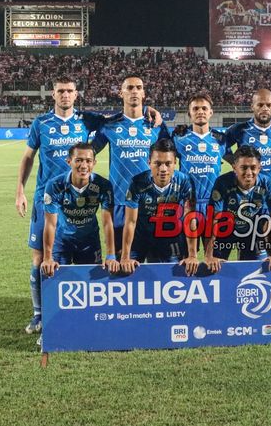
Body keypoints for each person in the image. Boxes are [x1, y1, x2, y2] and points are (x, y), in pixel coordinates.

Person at [15, 76, 106, 336]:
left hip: (78, 201)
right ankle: (39, 314)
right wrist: (20, 190)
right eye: (60, 91)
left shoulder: (87, 122)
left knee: (82, 256)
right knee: (40, 257)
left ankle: (81, 310)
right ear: (53, 95)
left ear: (76, 95)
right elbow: (28, 157)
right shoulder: (41, 123)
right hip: (46, 199)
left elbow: (119, 119)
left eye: (69, 91)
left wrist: (147, 110)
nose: (65, 95)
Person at [92, 75, 170, 255]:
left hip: (153, 202)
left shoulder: (156, 125)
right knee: (122, 261)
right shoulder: (109, 125)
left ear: (143, 93)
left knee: (157, 261)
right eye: (129, 88)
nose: (134, 91)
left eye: (138, 87)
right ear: (121, 93)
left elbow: (171, 157)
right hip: (120, 201)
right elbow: (90, 152)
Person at [119, 139, 199, 276]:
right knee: (126, 272)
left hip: (169, 236)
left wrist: (192, 255)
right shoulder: (137, 182)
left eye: (168, 164)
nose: (163, 169)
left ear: (175, 163)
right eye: (158, 163)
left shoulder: (184, 181)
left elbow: (189, 219)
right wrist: (125, 257)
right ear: (149, 162)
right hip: (141, 235)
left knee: (175, 274)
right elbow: (130, 222)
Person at [204, 145, 271, 272]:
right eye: (243, 168)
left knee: (255, 269)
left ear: (259, 168)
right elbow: (213, 219)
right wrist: (209, 256)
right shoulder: (223, 182)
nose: (248, 173)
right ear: (234, 168)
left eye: (253, 168)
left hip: (253, 231)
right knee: (214, 266)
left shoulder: (268, 184)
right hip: (226, 229)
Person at [40, 143, 118, 276]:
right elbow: (50, 224)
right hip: (62, 240)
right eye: (79, 160)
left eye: (88, 161)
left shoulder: (103, 185)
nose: (84, 166)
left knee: (92, 282)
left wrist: (111, 255)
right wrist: (47, 258)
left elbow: (107, 222)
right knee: (55, 278)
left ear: (94, 163)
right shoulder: (54, 185)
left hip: (89, 241)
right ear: (69, 161)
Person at [224, 89, 271, 194]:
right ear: (252, 106)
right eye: (260, 105)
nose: (265, 108)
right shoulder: (240, 129)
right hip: (247, 193)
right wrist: (235, 161)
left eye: (269, 105)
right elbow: (218, 144)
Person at [172, 93, 230, 218]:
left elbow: (237, 163)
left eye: (204, 108)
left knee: (211, 238)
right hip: (187, 202)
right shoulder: (178, 138)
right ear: (189, 114)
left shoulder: (221, 139)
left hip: (213, 202)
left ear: (211, 112)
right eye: (195, 109)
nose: (200, 111)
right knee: (188, 238)